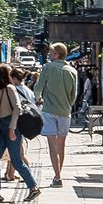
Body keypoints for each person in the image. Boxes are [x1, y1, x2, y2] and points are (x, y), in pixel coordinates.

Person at [0, 63, 40, 202]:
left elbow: (17, 108)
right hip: (0, 127)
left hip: (11, 126)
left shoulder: (9, 88)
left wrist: (12, 128)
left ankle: (33, 187)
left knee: (16, 161)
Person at [35, 43, 78, 188]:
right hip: (65, 111)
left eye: (51, 53)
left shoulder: (48, 68)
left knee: (51, 143)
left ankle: (57, 176)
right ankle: (59, 173)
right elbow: (74, 94)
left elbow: (38, 88)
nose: (49, 55)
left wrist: (38, 98)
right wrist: (68, 105)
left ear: (57, 54)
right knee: (61, 144)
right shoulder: (72, 71)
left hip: (49, 109)